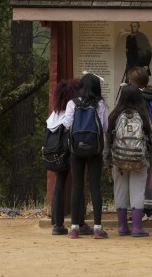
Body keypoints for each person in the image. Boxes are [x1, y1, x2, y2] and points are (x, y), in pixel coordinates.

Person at [105, 84, 152, 237]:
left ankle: (123, 227)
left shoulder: (114, 116)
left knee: (120, 191)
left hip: (119, 161)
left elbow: (107, 142)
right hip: (140, 161)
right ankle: (137, 227)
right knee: (137, 191)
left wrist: (108, 162)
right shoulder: (145, 117)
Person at [62, 73, 109, 239]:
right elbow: (104, 127)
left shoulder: (72, 104)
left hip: (76, 149)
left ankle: (74, 227)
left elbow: (67, 124)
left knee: (77, 186)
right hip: (95, 150)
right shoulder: (100, 104)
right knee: (95, 187)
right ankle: (97, 228)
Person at [45, 79, 94, 236]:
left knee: (59, 183)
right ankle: (79, 222)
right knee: (77, 183)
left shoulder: (54, 114)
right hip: (71, 150)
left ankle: (58, 224)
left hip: (56, 153)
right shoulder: (72, 110)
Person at [126, 66, 152, 221]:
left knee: (137, 177)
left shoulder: (134, 99)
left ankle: (138, 210)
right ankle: (149, 209)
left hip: (137, 143)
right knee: (150, 176)